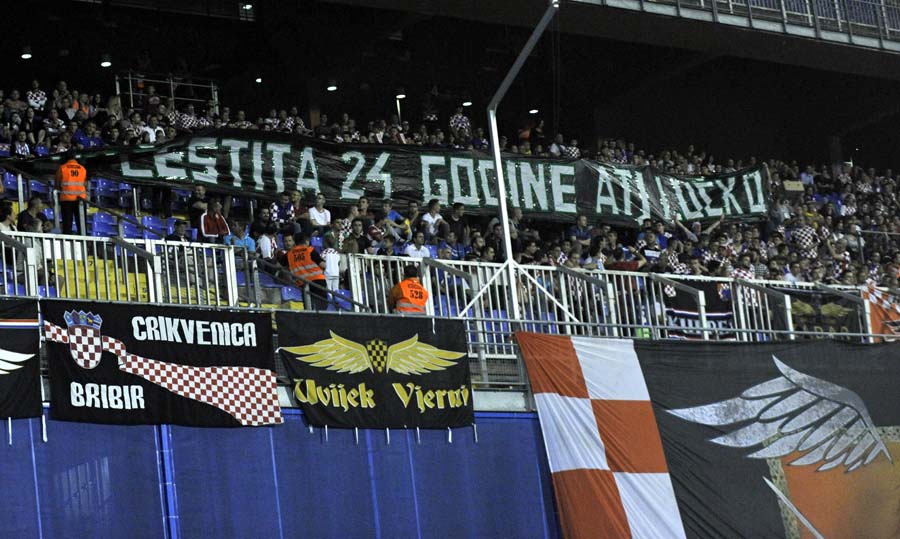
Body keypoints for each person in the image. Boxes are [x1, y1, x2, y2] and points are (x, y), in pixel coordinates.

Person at [287, 233, 327, 311]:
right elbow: (323, 265)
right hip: (318, 282)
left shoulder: (290, 254)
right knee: (321, 306)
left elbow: (280, 265)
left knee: (308, 306)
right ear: (306, 241)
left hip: (303, 283)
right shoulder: (310, 250)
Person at [56, 149, 87, 234]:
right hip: (80, 199)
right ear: (75, 157)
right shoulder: (82, 169)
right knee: (82, 225)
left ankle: (67, 241)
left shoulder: (62, 168)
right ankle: (83, 240)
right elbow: (84, 183)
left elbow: (57, 184)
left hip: (66, 199)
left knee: (67, 225)